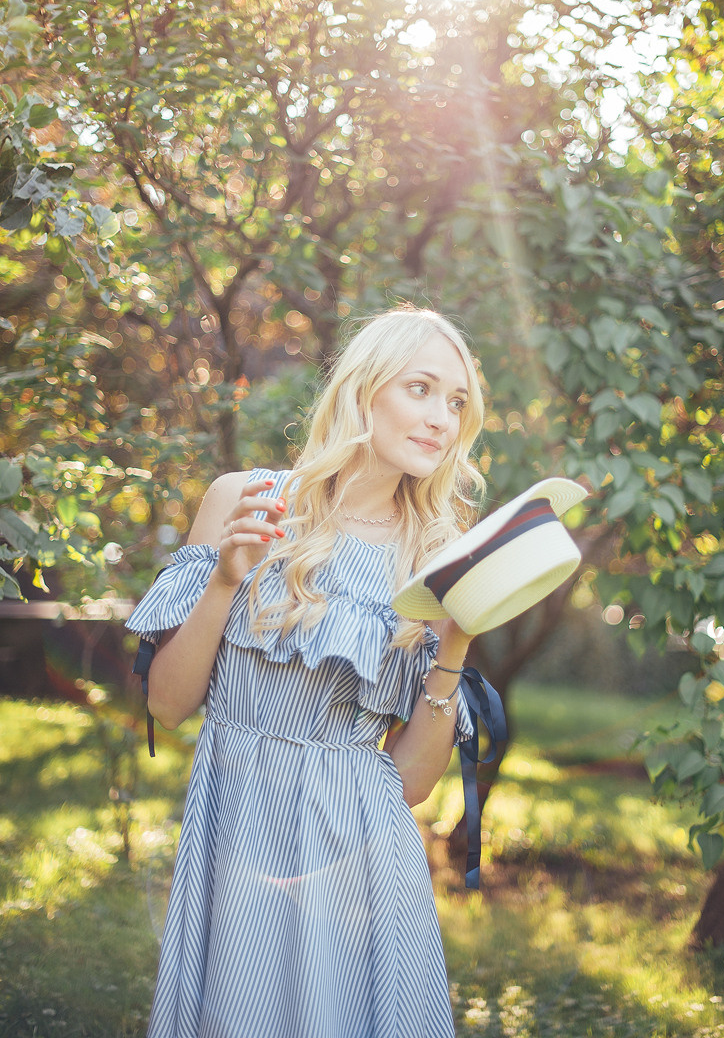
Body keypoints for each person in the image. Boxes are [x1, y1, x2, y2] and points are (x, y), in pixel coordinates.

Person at [127, 305, 489, 1038]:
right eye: (421, 388)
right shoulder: (245, 501)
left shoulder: (434, 559)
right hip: (236, 822)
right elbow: (166, 706)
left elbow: (410, 783)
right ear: (364, 389)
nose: (441, 419)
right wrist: (226, 581)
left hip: (359, 842)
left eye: (456, 403)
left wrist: (455, 645)